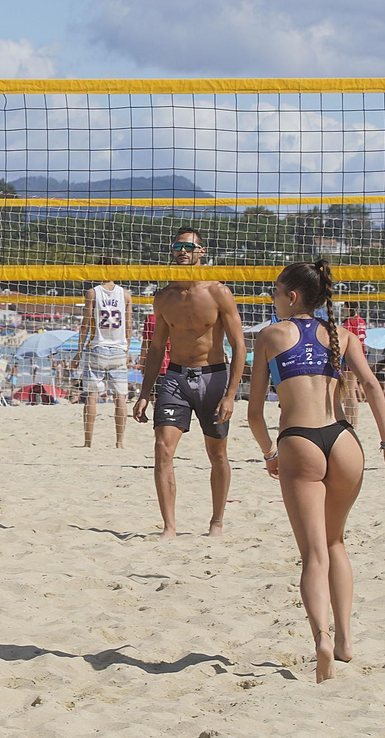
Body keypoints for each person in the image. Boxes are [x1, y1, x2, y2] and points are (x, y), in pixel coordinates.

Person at [246, 259, 385, 682]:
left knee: (313, 554)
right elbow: (371, 387)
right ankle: (347, 641)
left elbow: (255, 414)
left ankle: (321, 638)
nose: (272, 299)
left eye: (275, 292)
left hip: (299, 440)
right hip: (345, 441)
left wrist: (268, 455)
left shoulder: (268, 336)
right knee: (337, 543)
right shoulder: (341, 334)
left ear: (292, 296)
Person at [133, 226, 246, 539]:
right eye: (177, 246)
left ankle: (217, 522)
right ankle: (169, 527)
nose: (182, 251)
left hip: (213, 376)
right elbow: (157, 348)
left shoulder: (218, 292)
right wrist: (144, 393)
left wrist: (231, 394)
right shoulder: (164, 296)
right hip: (176, 377)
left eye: (188, 246)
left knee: (218, 454)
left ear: (201, 252)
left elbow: (239, 345)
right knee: (162, 449)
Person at [72, 257, 132, 448]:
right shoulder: (126, 294)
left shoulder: (93, 293)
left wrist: (79, 351)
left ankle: (88, 442)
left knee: (91, 396)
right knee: (120, 397)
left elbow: (85, 325)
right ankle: (119, 442)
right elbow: (129, 327)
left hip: (97, 347)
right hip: (119, 349)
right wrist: (127, 349)